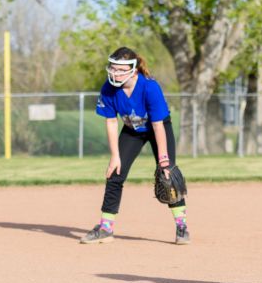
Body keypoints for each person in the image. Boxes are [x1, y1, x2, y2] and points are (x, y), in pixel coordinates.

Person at [80, 47, 190, 245]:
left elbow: (157, 125)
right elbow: (111, 122)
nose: (115, 73)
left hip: (158, 128)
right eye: (113, 68)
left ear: (134, 70)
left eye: (121, 69)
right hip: (132, 131)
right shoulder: (109, 88)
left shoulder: (150, 87)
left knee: (168, 176)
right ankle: (106, 227)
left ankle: (181, 226)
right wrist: (115, 155)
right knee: (115, 173)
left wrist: (164, 161)